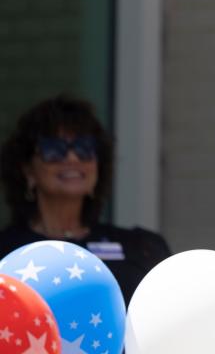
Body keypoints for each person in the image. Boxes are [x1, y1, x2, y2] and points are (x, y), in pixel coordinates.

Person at [0, 95, 171, 305]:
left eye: (84, 148)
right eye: (54, 149)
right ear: (28, 171)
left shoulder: (142, 248)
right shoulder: (5, 251)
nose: (72, 158)